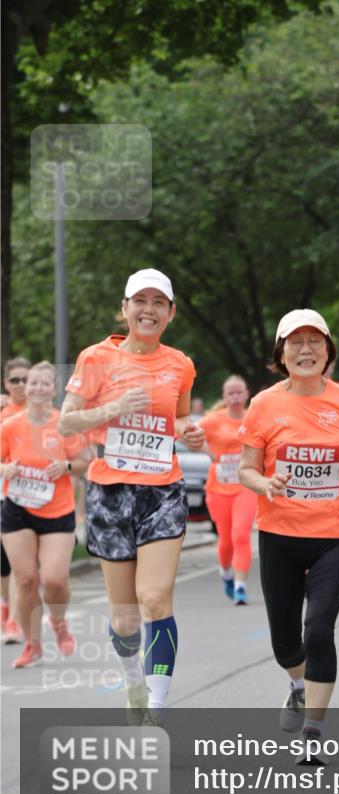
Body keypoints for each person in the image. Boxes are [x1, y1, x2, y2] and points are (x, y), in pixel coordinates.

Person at [58, 269, 205, 723]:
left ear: (171, 313)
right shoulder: (97, 358)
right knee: (125, 620)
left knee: (156, 599)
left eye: (158, 303)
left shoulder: (180, 363)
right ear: (124, 308)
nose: (148, 310)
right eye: (139, 301)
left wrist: (189, 431)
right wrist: (114, 409)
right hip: (110, 492)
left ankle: (157, 708)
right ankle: (133, 684)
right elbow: (67, 422)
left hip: (162, 489)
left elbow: (177, 417)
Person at [238, 309, 339, 761]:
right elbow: (246, 470)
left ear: (328, 351)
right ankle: (297, 685)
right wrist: (265, 483)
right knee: (285, 643)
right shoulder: (263, 405)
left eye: (315, 341)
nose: (306, 349)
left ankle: (313, 733)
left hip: (334, 534)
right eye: (295, 342)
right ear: (281, 353)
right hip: (279, 533)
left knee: (318, 629)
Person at [1, 362, 89, 667]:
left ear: (54, 389)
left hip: (57, 510)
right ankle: (32, 643)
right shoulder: (10, 425)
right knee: (25, 581)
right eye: (32, 383)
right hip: (17, 509)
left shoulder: (64, 423)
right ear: (25, 388)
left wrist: (65, 467)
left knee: (53, 579)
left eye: (44, 383)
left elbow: (84, 462)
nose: (37, 388)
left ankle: (59, 621)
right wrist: (5, 468)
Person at [199, 375, 257, 604]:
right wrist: (207, 451)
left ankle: (241, 585)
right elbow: (185, 433)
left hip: (245, 485)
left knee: (241, 534)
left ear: (246, 394)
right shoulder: (213, 420)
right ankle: (226, 572)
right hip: (218, 487)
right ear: (224, 397)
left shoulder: (253, 418)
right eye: (230, 393)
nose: (235, 397)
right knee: (226, 539)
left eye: (239, 392)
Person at [1, 356, 31, 644]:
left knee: (24, 566)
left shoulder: (44, 412)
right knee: (6, 563)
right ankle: (8, 611)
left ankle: (13, 618)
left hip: (37, 500)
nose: (21, 385)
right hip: (4, 494)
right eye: (15, 380)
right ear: (6, 383)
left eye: (26, 379)